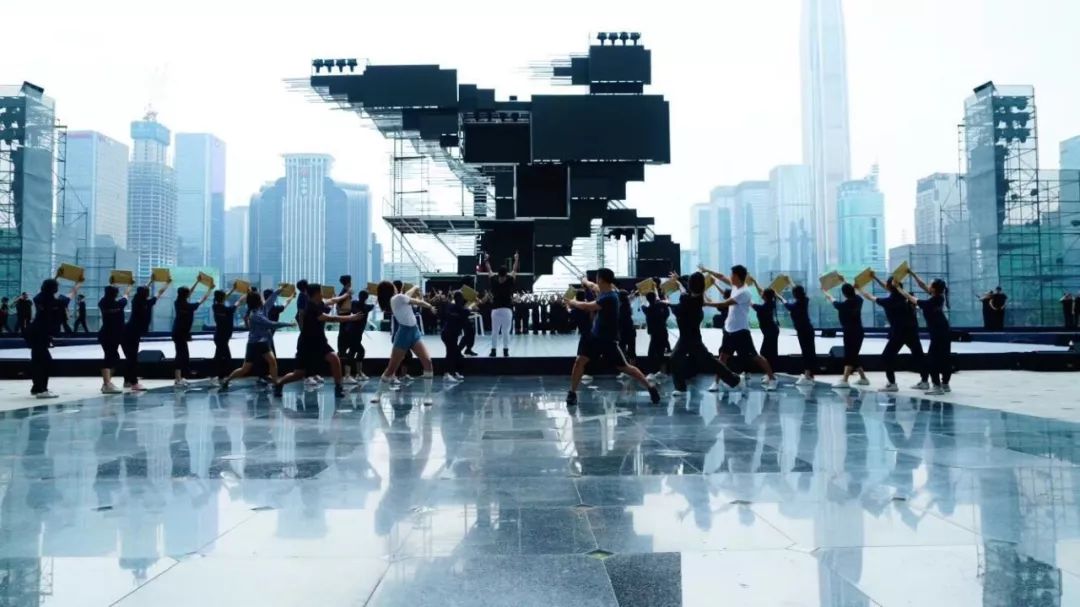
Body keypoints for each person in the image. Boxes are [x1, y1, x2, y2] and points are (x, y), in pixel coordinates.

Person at [564, 268, 661, 407]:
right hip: (594, 337)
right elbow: (592, 286)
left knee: (625, 367)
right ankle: (572, 393)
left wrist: (572, 302)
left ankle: (650, 388)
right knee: (579, 361)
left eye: (597, 278)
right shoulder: (605, 290)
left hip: (608, 340)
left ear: (601, 279)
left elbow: (588, 306)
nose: (596, 281)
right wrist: (583, 280)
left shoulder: (610, 297)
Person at [275, 283, 363, 398]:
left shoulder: (318, 303)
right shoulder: (311, 307)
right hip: (307, 344)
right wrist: (351, 318)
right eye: (320, 292)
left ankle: (338, 388)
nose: (322, 294)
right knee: (299, 374)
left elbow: (332, 300)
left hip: (320, 342)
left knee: (334, 358)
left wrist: (346, 294)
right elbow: (331, 318)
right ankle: (279, 384)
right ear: (316, 293)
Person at [660, 271, 740, 396]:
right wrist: (678, 280)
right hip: (690, 336)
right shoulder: (698, 298)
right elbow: (684, 290)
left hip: (689, 338)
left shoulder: (687, 300)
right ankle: (733, 379)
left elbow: (678, 307)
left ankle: (733, 379)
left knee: (680, 360)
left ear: (691, 285)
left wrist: (667, 303)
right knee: (704, 361)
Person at [701, 265, 778, 390]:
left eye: (732, 274)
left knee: (755, 357)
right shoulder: (735, 286)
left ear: (737, 276)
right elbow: (721, 276)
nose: (730, 277)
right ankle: (716, 382)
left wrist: (705, 303)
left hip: (741, 331)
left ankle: (772, 379)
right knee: (722, 357)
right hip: (729, 329)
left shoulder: (744, 293)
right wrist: (707, 270)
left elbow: (724, 303)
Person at [857, 272, 930, 392]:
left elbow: (869, 296)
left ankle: (892, 384)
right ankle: (925, 382)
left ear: (890, 287)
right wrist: (875, 278)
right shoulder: (907, 296)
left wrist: (859, 288)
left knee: (887, 357)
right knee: (919, 356)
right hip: (912, 331)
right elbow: (889, 287)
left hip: (898, 333)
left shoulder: (889, 301)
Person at [221, 289, 295, 391]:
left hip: (262, 343)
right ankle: (227, 380)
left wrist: (279, 290)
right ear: (257, 301)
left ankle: (276, 383)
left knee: (272, 362)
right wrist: (288, 324)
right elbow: (271, 324)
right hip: (255, 344)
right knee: (245, 369)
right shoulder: (255, 315)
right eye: (260, 297)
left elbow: (270, 300)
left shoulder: (262, 309)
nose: (262, 298)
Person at [375, 281, 436, 399]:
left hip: (414, 332)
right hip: (404, 334)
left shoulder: (397, 299)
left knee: (427, 362)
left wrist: (415, 286)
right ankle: (378, 393)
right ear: (391, 289)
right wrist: (430, 306)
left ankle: (428, 396)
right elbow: (418, 302)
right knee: (391, 368)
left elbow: (408, 294)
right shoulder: (398, 298)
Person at [27, 277, 81, 398]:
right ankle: (42, 390)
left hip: (33, 332)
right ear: (55, 289)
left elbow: (43, 291)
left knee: (37, 360)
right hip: (42, 334)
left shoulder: (38, 299)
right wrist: (78, 284)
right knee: (45, 362)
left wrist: (55, 278)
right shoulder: (57, 302)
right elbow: (71, 294)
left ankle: (37, 388)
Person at [901, 272, 953, 395]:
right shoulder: (939, 296)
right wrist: (912, 274)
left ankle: (937, 386)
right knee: (945, 358)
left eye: (930, 285)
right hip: (944, 331)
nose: (928, 286)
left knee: (932, 360)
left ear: (933, 289)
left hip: (938, 333)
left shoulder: (930, 302)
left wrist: (898, 288)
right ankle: (945, 384)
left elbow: (910, 298)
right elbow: (923, 285)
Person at [122, 279, 170, 391]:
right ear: (147, 294)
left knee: (130, 358)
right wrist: (167, 283)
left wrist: (151, 281)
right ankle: (134, 383)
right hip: (132, 333)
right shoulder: (148, 303)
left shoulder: (136, 300)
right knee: (132, 359)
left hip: (127, 331)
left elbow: (143, 290)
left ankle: (127, 381)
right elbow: (160, 292)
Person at [823, 281, 869, 388]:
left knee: (849, 355)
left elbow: (832, 299)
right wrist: (844, 281)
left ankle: (845, 380)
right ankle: (863, 378)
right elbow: (852, 291)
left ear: (844, 294)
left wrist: (825, 292)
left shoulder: (843, 305)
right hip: (859, 331)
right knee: (854, 355)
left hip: (850, 333)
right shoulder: (859, 300)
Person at [172, 281, 212, 388]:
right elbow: (203, 299)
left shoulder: (177, 302)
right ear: (186, 295)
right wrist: (210, 289)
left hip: (178, 332)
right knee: (181, 355)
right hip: (180, 333)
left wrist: (197, 282)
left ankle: (181, 377)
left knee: (184, 355)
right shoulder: (189, 306)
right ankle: (177, 379)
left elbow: (189, 292)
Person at [777, 284, 816, 386]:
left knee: (806, 352)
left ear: (795, 294)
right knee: (810, 351)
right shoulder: (805, 300)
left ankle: (807, 375)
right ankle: (810, 375)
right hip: (808, 329)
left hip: (803, 331)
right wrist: (790, 282)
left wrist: (780, 297)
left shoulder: (796, 305)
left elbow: (788, 305)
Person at [483, 251, 518, 357]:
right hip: (507, 310)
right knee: (505, 331)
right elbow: (514, 270)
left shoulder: (494, 280)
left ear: (498, 273)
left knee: (494, 331)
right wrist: (516, 259)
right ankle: (505, 351)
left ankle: (493, 351)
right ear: (506, 274)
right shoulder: (510, 280)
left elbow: (489, 269)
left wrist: (486, 260)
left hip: (495, 310)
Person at [97, 284, 130, 394]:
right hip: (112, 335)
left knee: (113, 358)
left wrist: (112, 284)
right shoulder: (119, 304)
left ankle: (106, 383)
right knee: (109, 358)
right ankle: (107, 384)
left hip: (106, 334)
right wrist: (129, 285)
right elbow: (126, 295)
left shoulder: (102, 303)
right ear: (116, 294)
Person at [210, 287, 242, 388]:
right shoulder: (227, 309)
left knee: (219, 357)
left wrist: (233, 289)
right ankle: (221, 378)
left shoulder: (215, 306)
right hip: (222, 337)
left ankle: (217, 376)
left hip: (219, 336)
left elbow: (222, 298)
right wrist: (241, 299)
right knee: (225, 357)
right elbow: (235, 305)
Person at [341, 290, 374, 382]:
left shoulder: (354, 303)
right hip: (355, 333)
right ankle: (348, 375)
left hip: (351, 332)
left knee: (358, 351)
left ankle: (357, 373)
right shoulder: (367, 307)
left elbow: (350, 307)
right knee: (354, 352)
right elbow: (373, 305)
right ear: (366, 298)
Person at [440, 291, 470, 381]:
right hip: (448, 334)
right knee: (451, 353)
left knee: (455, 353)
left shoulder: (454, 307)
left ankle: (453, 372)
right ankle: (447, 373)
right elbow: (464, 313)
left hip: (450, 334)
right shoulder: (458, 309)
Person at [750, 285, 780, 373]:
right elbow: (763, 291)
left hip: (770, 332)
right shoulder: (771, 302)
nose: (761, 294)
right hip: (772, 330)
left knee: (765, 352)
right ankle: (771, 371)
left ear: (765, 296)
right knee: (771, 352)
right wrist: (755, 283)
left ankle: (770, 372)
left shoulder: (764, 307)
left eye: (762, 293)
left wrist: (747, 298)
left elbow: (752, 304)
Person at [642, 291, 670, 379]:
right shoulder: (661, 307)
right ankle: (663, 372)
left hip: (654, 335)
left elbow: (643, 304)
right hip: (663, 332)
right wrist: (661, 300)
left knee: (651, 354)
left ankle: (651, 373)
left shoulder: (647, 309)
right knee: (661, 353)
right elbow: (667, 312)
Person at [617, 290, 637, 368]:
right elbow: (630, 298)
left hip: (622, 332)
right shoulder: (628, 305)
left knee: (622, 351)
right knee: (632, 351)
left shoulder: (619, 307)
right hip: (631, 330)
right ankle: (633, 368)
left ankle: (626, 368)